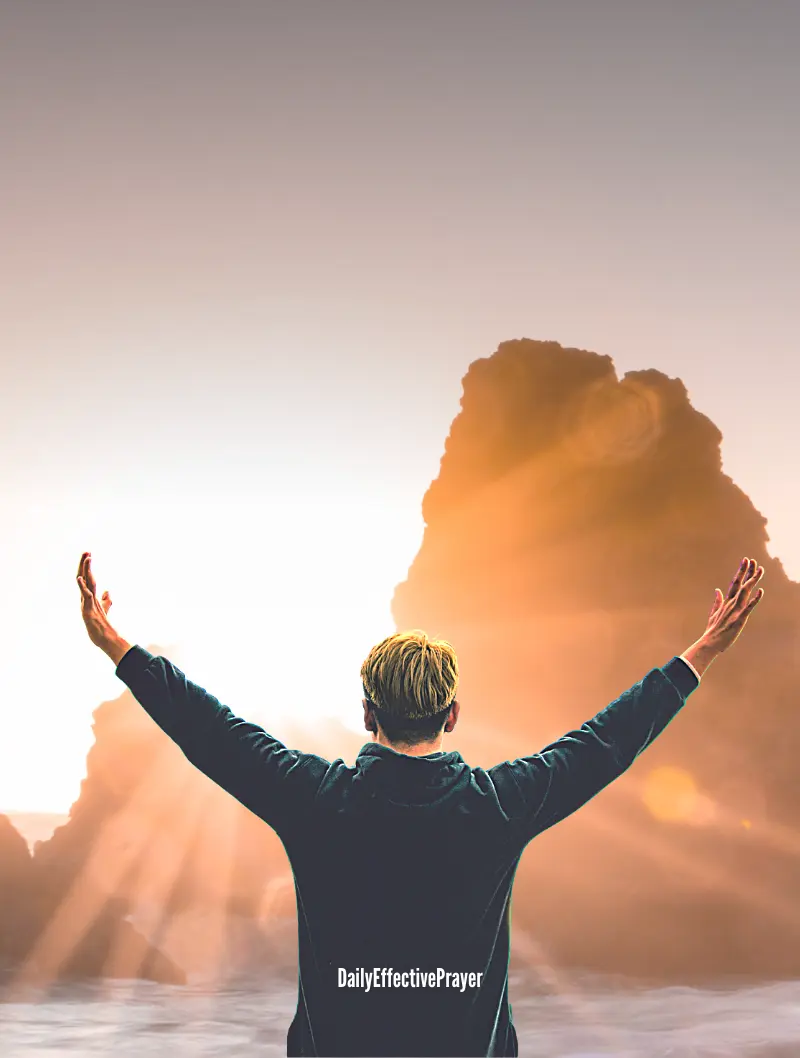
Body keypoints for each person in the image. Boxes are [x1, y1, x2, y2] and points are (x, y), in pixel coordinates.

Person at [76, 551, 764, 1057]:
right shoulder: (501, 806)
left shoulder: (312, 799)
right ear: (453, 714)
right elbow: (606, 742)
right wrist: (701, 652)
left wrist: (118, 648)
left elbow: (212, 732)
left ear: (367, 712)